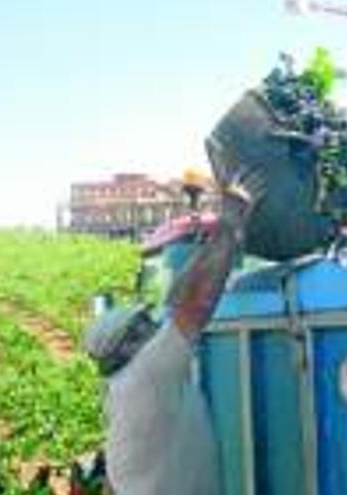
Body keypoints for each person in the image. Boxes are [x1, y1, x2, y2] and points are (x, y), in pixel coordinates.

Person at [84, 172, 263, 495]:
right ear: (127, 347)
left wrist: (204, 247)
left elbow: (173, 305)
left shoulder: (122, 388)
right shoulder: (148, 375)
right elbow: (194, 305)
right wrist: (230, 224)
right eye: (144, 326)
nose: (155, 325)